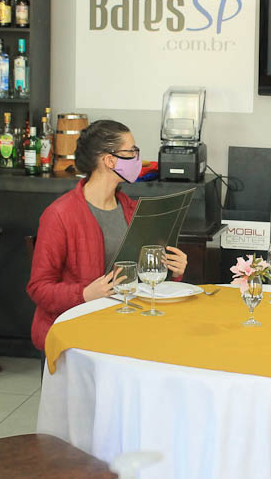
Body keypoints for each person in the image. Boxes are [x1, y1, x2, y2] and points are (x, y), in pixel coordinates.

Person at [27, 120, 188, 351]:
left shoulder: (132, 210)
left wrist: (174, 270)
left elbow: (145, 276)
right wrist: (84, 294)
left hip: (126, 325)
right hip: (75, 332)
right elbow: (39, 288)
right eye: (131, 151)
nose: (137, 158)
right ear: (110, 160)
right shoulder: (59, 215)